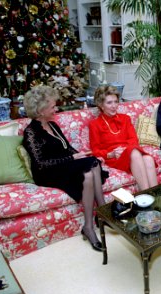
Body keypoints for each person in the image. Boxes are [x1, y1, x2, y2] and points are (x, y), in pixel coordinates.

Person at [22, 85, 107, 252]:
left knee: (90, 169)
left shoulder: (53, 125)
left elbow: (67, 148)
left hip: (65, 166)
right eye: (53, 106)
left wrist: (80, 154)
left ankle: (89, 226)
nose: (56, 109)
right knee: (92, 164)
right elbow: (40, 164)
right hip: (47, 173)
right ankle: (104, 212)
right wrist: (72, 158)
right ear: (40, 111)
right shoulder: (30, 132)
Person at [89, 85, 158, 191]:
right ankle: (147, 195)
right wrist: (110, 154)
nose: (114, 106)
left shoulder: (125, 118)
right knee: (135, 153)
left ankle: (155, 194)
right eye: (109, 102)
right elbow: (95, 150)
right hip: (114, 158)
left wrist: (126, 150)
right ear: (101, 105)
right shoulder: (95, 124)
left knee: (148, 159)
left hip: (130, 153)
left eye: (116, 101)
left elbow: (133, 140)